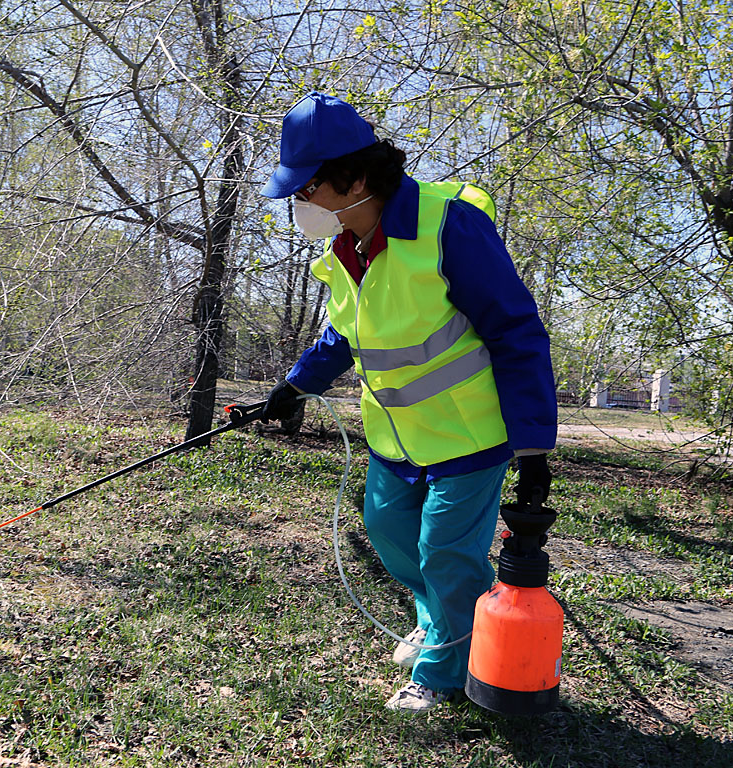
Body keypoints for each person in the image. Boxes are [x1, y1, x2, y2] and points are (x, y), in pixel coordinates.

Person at [259, 92, 557, 713]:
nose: (300, 202)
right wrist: (294, 388)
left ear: (356, 176)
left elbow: (516, 331)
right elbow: (346, 335)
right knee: (391, 535)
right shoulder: (344, 249)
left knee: (446, 552)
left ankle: (443, 673)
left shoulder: (449, 228)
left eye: (308, 187)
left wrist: (533, 446)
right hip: (393, 439)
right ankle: (443, 622)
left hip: (468, 437)